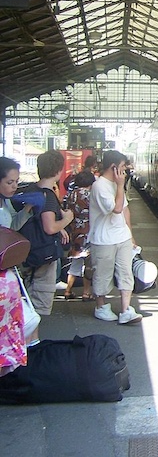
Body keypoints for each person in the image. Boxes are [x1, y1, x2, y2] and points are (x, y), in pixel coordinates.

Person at [18, 150, 74, 317]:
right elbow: (49, 227)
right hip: (43, 254)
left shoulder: (31, 189)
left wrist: (60, 227)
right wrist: (67, 220)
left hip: (28, 251)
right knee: (38, 305)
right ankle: (32, 340)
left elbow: (37, 218)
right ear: (59, 171)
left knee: (27, 295)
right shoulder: (48, 196)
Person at [88, 150, 142, 325]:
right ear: (113, 167)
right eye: (122, 168)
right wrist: (120, 186)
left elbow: (125, 209)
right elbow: (116, 209)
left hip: (122, 237)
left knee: (126, 273)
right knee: (102, 275)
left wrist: (130, 235)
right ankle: (101, 306)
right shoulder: (99, 186)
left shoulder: (115, 184)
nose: (125, 172)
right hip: (103, 240)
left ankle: (126, 309)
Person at [0, 156, 37, 371]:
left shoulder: (5, 203)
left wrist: (26, 210)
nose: (14, 186)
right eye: (9, 182)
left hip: (7, 274)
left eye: (16, 181)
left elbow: (12, 227)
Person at [62, 170, 95, 301]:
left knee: (75, 262)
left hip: (75, 232)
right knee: (88, 263)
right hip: (88, 232)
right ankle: (86, 293)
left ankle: (67, 291)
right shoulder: (91, 195)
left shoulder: (71, 195)